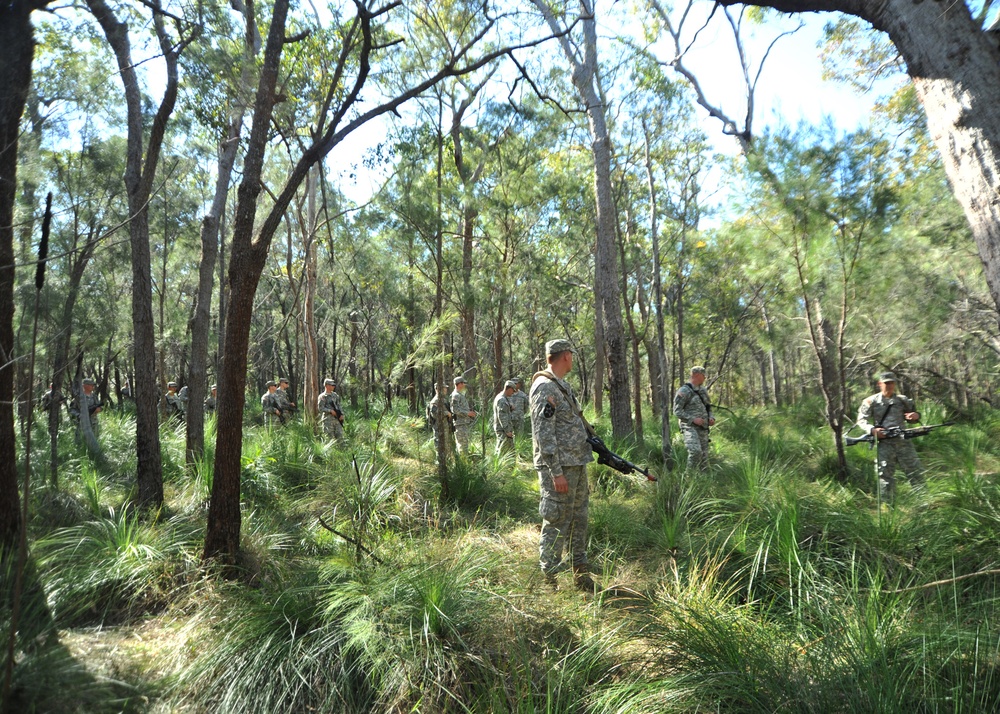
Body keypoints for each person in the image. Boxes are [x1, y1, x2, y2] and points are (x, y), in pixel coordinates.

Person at [530, 339, 597, 593]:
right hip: (559, 469)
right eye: (571, 355)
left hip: (576, 464)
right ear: (566, 356)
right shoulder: (544, 387)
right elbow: (543, 433)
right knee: (557, 520)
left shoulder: (562, 387)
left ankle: (580, 573)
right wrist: (556, 472)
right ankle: (550, 581)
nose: (572, 359)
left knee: (579, 519)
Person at [856, 371, 924, 500]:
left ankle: (924, 502)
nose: (889, 386)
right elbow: (861, 420)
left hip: (903, 441)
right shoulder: (871, 401)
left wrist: (915, 416)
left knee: (915, 472)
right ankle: (887, 505)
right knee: (885, 475)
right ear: (880, 384)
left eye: (892, 383)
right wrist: (872, 430)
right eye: (886, 383)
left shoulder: (902, 400)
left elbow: (913, 417)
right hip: (884, 443)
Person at [673, 366, 714, 471]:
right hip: (689, 426)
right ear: (696, 375)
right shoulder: (684, 391)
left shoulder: (703, 390)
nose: (705, 377)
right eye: (703, 375)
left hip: (703, 428)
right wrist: (693, 419)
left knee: (704, 457)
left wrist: (711, 417)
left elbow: (708, 407)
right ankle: (689, 477)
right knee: (695, 451)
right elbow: (677, 411)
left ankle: (703, 480)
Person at [450, 376, 477, 455]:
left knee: (464, 445)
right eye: (463, 383)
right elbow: (454, 410)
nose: (464, 385)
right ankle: (463, 464)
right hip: (460, 424)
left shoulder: (459, 395)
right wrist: (467, 413)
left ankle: (464, 462)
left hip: (463, 423)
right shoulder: (456, 395)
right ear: (459, 384)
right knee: (462, 446)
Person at [426, 383, 451, 457]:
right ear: (438, 389)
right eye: (444, 388)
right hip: (439, 427)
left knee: (446, 446)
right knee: (439, 445)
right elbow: (435, 413)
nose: (446, 390)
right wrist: (446, 413)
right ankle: (440, 463)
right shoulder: (435, 401)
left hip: (445, 426)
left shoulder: (443, 399)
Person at [492, 380, 517, 455]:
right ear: (508, 389)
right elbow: (502, 416)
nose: (513, 393)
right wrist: (507, 430)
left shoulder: (503, 398)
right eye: (512, 390)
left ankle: (510, 466)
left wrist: (510, 407)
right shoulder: (502, 400)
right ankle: (499, 466)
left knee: (509, 450)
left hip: (504, 429)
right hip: (503, 430)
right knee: (502, 450)